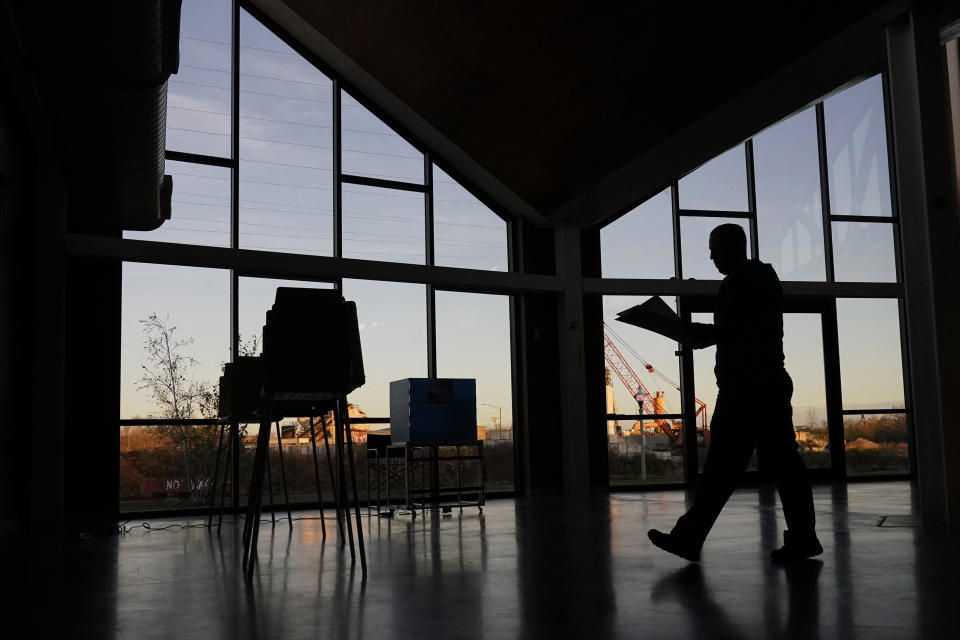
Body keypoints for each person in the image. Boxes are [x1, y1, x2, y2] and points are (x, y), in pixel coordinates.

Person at [648, 223, 822, 562]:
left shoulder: (746, 280)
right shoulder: (756, 279)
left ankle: (690, 538)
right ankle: (802, 538)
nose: (711, 255)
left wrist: (680, 329)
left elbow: (729, 332)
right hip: (758, 388)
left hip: (749, 391)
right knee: (772, 468)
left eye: (714, 248)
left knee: (725, 471)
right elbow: (735, 331)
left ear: (731, 247)